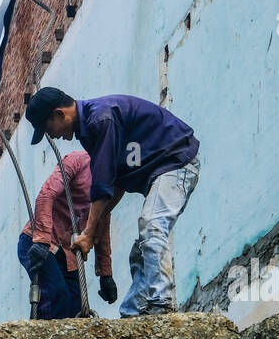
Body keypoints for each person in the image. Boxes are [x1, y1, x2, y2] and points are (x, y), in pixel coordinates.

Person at [27, 87, 201, 316]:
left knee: (152, 226)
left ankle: (161, 303)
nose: (53, 136)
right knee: (142, 248)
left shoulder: (101, 119)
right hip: (161, 171)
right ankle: (134, 310)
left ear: (60, 114)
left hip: (176, 162)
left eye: (49, 129)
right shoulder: (90, 127)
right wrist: (93, 228)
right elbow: (116, 181)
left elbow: (103, 186)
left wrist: (88, 234)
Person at [18, 149, 115, 318]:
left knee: (76, 305)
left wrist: (105, 274)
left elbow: (102, 223)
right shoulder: (78, 160)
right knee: (56, 295)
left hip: (67, 254)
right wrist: (41, 240)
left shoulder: (110, 179)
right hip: (37, 242)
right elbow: (46, 195)